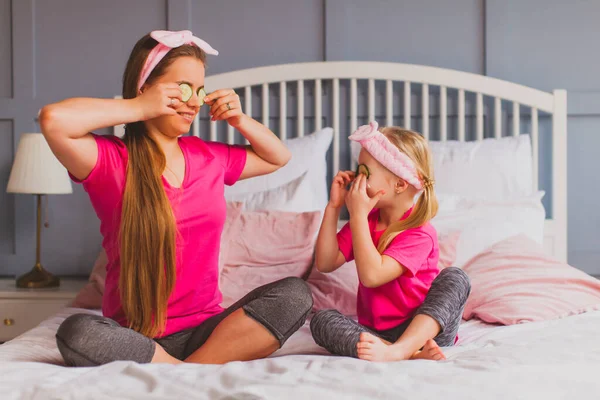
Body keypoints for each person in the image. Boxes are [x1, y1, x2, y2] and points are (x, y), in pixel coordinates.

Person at [42, 30, 313, 366]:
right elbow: (53, 120)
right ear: (146, 88)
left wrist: (239, 119)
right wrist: (139, 106)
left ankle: (184, 369)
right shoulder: (110, 161)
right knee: (77, 332)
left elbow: (278, 157)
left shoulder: (209, 157)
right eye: (184, 88)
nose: (195, 101)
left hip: (207, 331)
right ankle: (188, 368)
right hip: (134, 338)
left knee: (294, 295)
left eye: (200, 91)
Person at [310, 121, 471, 362]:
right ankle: (407, 354)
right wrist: (334, 208)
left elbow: (372, 276)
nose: (357, 179)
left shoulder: (419, 232)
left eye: (365, 172)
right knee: (321, 321)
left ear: (399, 184)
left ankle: (402, 350)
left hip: (425, 332)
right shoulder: (366, 221)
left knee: (456, 277)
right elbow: (325, 262)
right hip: (375, 333)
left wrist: (356, 217)